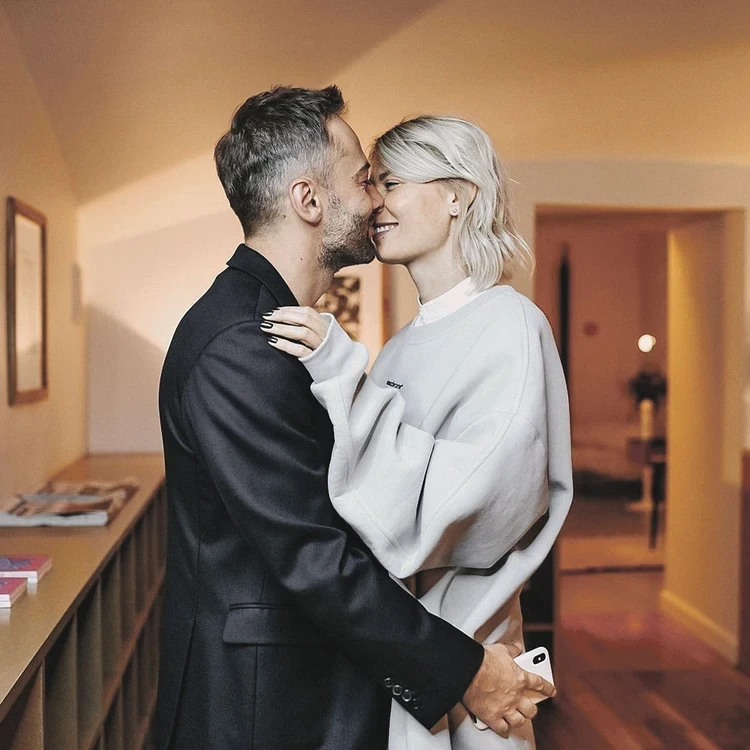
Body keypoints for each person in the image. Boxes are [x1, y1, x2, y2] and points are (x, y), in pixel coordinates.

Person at [156, 89, 554, 750]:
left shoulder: (282, 332)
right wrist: (466, 671)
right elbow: (313, 553)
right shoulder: (242, 345)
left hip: (313, 689)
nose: (375, 200)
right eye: (367, 179)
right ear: (309, 201)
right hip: (262, 706)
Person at [262, 114, 574, 748]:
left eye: (393, 182)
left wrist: (342, 373)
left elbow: (474, 508)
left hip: (475, 674)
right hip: (408, 667)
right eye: (371, 183)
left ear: (458, 195)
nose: (373, 203)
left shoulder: (512, 325)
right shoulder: (400, 347)